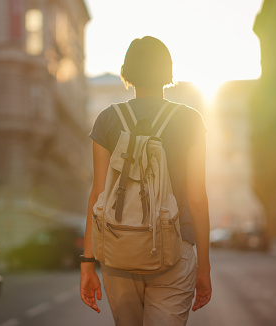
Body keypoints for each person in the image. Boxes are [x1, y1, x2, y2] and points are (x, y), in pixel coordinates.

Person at [80, 36, 212, 326]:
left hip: (118, 250)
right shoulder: (190, 120)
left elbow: (98, 196)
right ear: (168, 72)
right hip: (176, 250)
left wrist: (88, 263)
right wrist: (204, 268)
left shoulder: (107, 120)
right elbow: (198, 200)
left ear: (127, 72)